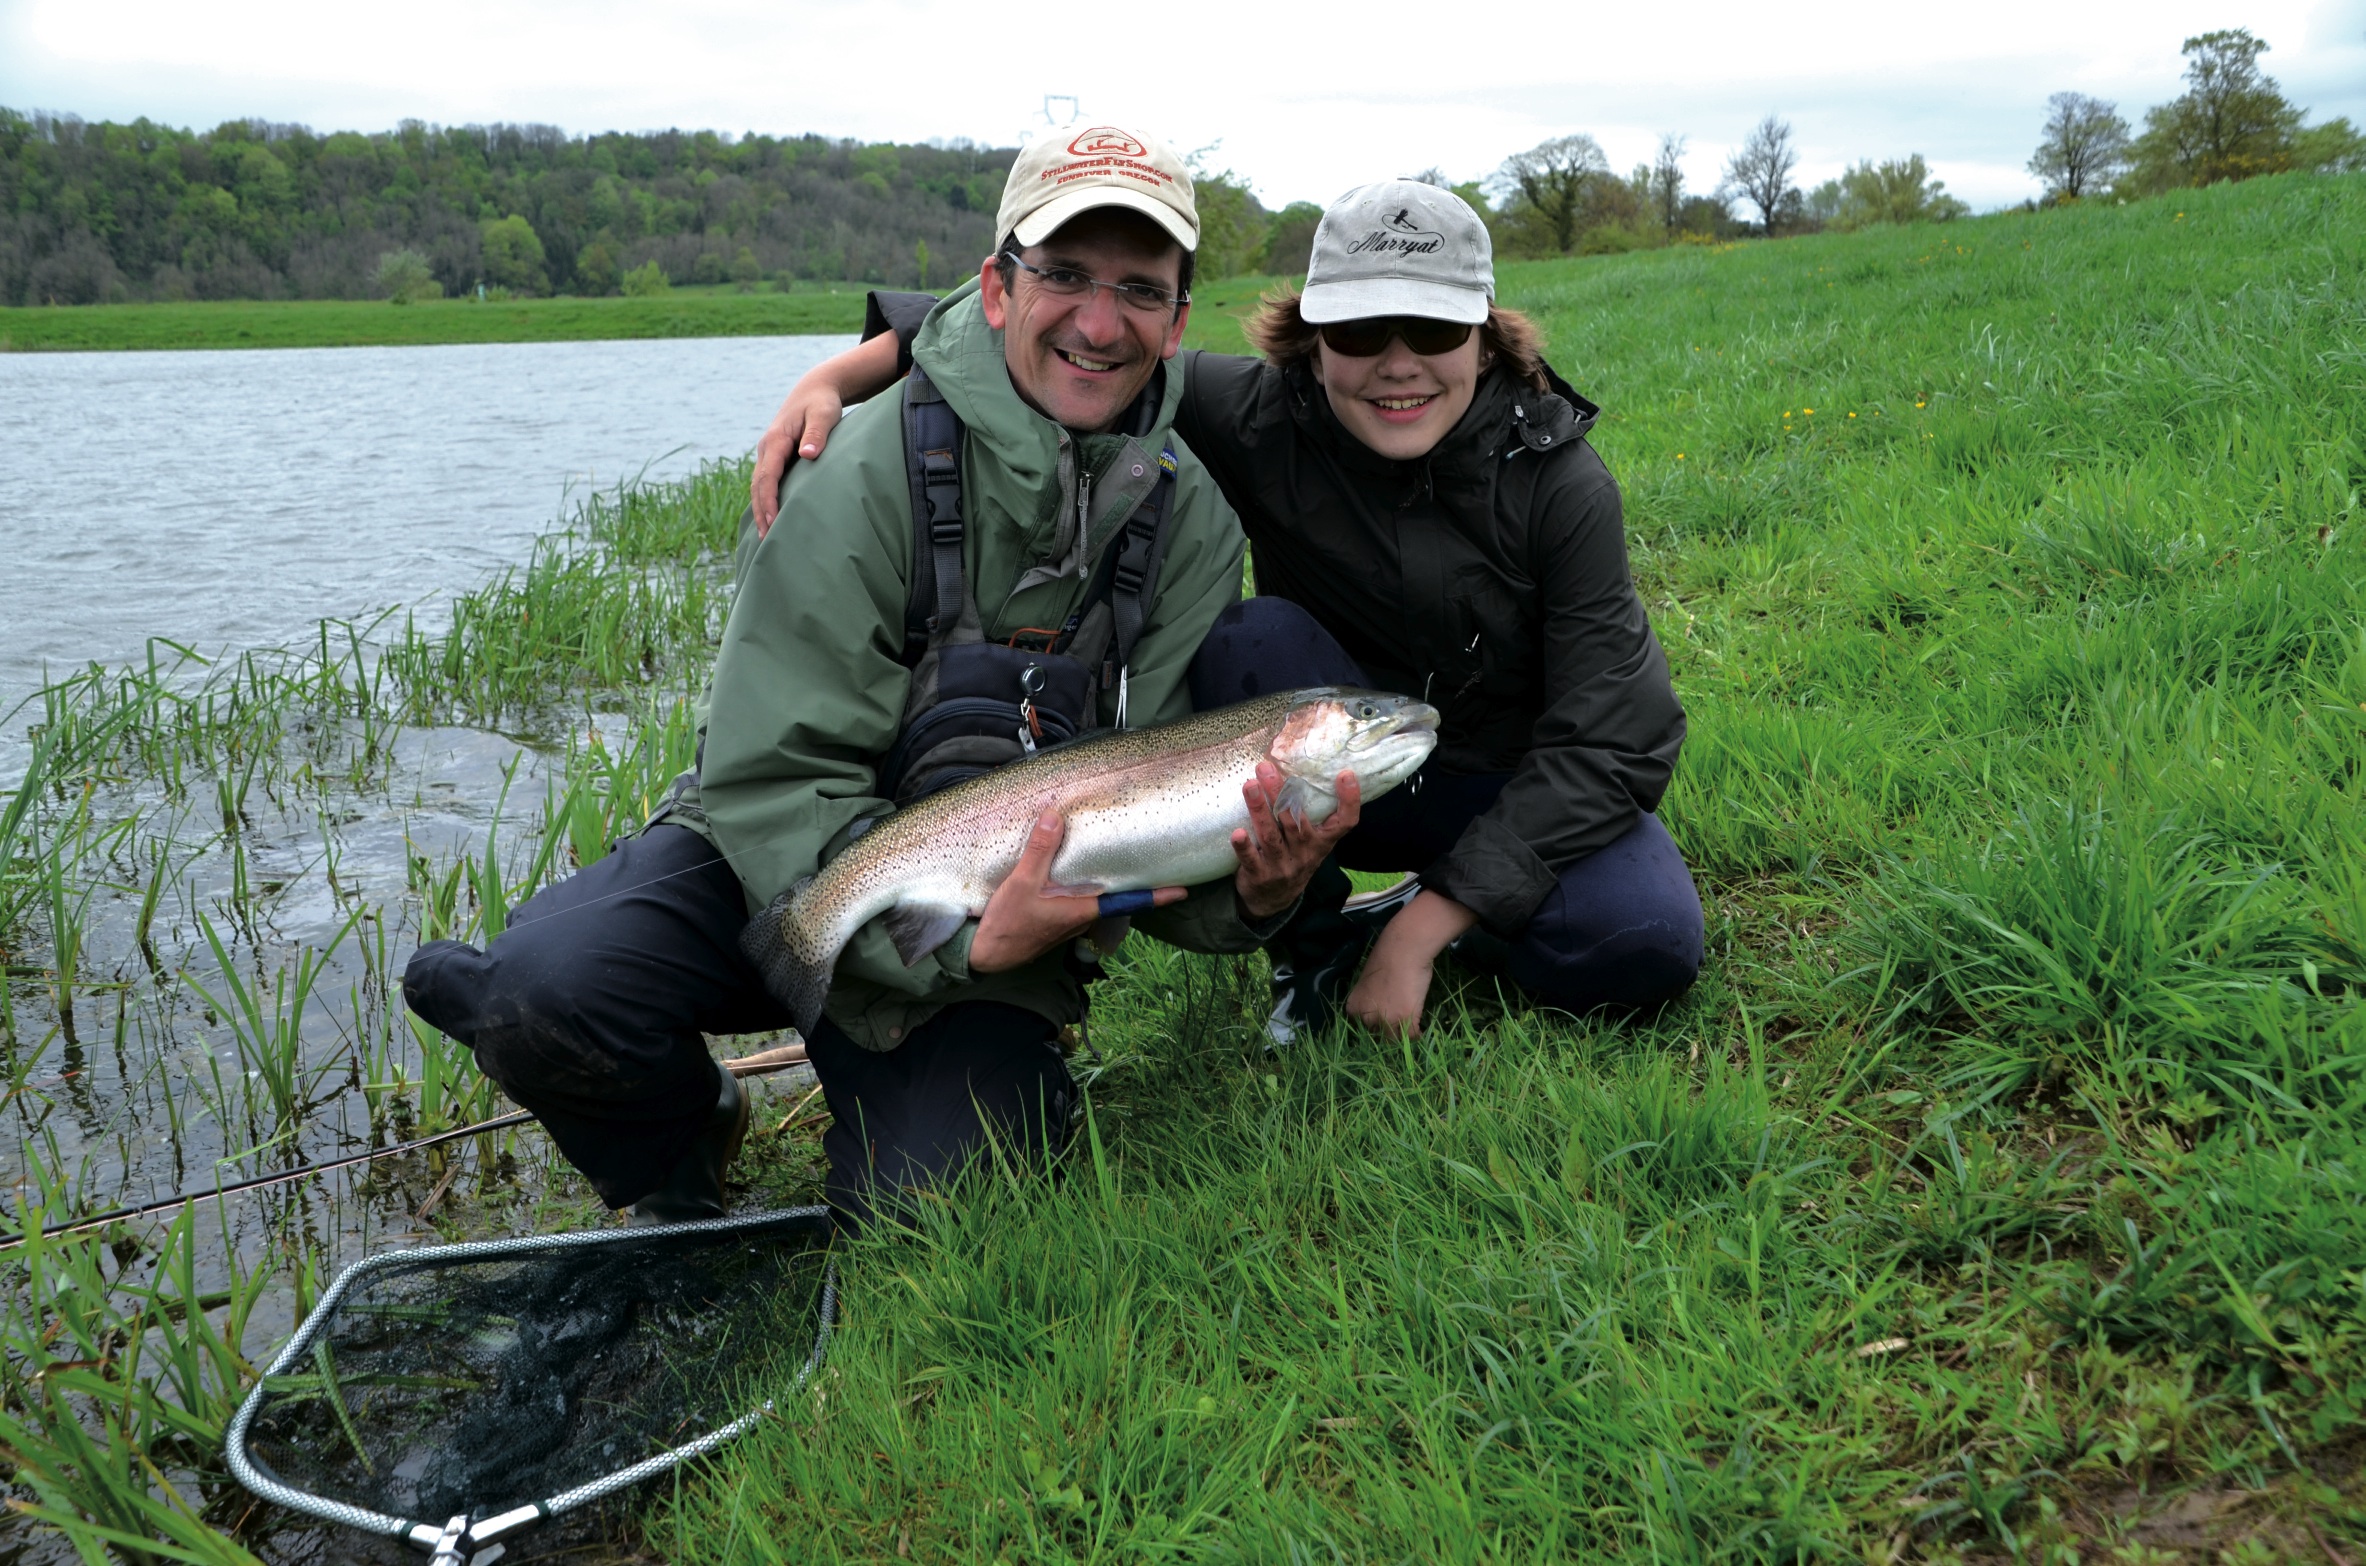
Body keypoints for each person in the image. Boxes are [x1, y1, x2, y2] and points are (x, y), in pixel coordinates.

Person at [404, 126, 1354, 1228]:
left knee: (942, 1213)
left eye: (1139, 290)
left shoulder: (1189, 518)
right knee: (543, 992)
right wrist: (935, 938)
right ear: (995, 289)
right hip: (768, 863)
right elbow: (772, 776)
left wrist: (1262, 891)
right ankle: (680, 1147)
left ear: (1178, 321)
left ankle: (926, 1088)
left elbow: (1161, 832)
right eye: (1061, 276)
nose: (1100, 324)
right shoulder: (853, 471)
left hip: (1007, 925)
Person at [752, 178, 1701, 1046]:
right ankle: (1315, 944)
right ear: (1312, 338)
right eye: (1361, 334)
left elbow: (1616, 739)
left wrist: (1424, 931)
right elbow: (1076, 332)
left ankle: (1437, 920)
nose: (1397, 366)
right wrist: (845, 374)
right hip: (1313, 769)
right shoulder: (1257, 415)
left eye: (1434, 331)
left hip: (1501, 779)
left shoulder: (1559, 482)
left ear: (1485, 336)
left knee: (1639, 946)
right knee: (1256, 640)